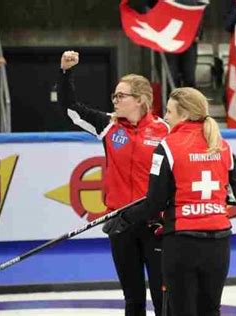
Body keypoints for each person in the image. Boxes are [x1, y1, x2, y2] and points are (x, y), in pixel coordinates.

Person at [115, 87, 236, 315]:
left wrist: (125, 217)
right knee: (210, 310)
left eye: (169, 111)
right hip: (219, 242)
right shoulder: (222, 145)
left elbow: (154, 203)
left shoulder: (166, 146)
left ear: (184, 114)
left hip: (182, 242)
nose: (165, 117)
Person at [58, 51, 170, 316]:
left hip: (157, 224)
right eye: (115, 96)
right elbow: (71, 110)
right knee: (132, 300)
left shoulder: (166, 130)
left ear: (141, 100)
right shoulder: (109, 125)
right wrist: (65, 74)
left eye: (121, 96)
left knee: (163, 298)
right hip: (121, 223)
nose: (115, 100)